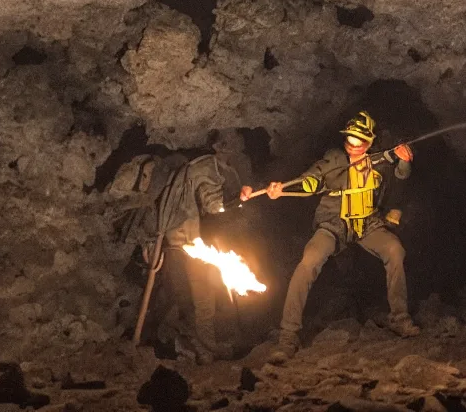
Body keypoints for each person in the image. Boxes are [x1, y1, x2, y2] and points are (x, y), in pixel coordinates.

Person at [240, 111, 419, 363]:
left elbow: (402, 175)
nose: (354, 148)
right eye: (350, 143)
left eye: (361, 144)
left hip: (367, 224)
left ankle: (399, 317)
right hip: (333, 224)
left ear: (370, 142)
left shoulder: (379, 161)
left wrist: (404, 160)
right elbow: (311, 180)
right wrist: (281, 189)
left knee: (394, 250)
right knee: (309, 260)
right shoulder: (334, 159)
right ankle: (288, 336)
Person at [107, 138, 243, 364]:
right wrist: (235, 200)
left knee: (187, 291)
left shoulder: (185, 169)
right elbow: (212, 205)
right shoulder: (200, 168)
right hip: (184, 241)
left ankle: (191, 342)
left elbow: (208, 204)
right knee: (195, 294)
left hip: (179, 239)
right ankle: (201, 344)